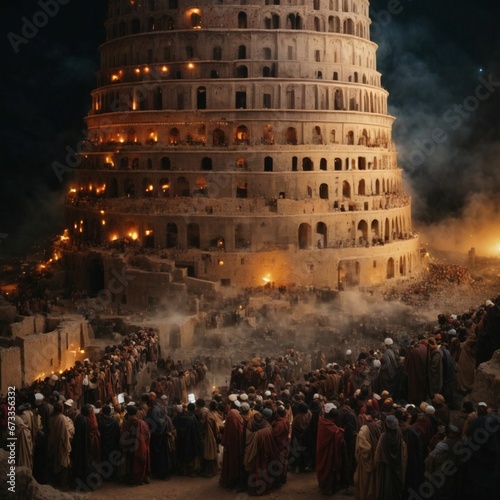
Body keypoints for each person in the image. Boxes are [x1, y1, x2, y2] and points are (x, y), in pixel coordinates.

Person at [243, 410, 279, 496]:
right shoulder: (267, 429)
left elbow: (247, 438)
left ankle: (253, 489)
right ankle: (262, 488)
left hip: (253, 454)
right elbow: (270, 444)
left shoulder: (250, 425)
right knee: (263, 471)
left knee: (254, 471)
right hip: (263, 455)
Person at [316, 404, 348, 495]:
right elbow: (338, 434)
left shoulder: (321, 421)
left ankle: (323, 485)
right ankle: (328, 488)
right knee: (328, 469)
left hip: (322, 451)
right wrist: (342, 431)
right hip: (328, 453)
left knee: (324, 468)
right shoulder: (330, 427)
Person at [375, 414, 407, 500]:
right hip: (398, 464)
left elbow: (378, 453)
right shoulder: (399, 435)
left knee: (387, 486)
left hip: (387, 466)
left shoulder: (383, 436)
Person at [120, 404, 151, 486]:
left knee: (132, 464)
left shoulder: (126, 423)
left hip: (131, 448)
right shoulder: (142, 423)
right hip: (142, 447)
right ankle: (142, 477)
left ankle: (133, 477)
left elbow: (123, 436)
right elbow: (148, 435)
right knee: (140, 463)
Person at [354, 417, 383, 500]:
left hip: (365, 460)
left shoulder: (363, 430)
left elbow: (363, 447)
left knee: (365, 481)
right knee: (371, 481)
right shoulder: (378, 427)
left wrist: (359, 456)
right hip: (374, 458)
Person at [48, 402, 74, 490]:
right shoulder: (62, 419)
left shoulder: (53, 419)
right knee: (64, 465)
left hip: (54, 444)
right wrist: (67, 446)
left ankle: (58, 483)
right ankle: (63, 484)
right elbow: (65, 434)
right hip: (62, 445)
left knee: (57, 464)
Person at [219, 401, 244, 489]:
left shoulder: (231, 416)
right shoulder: (237, 415)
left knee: (230, 463)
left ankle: (231, 480)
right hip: (237, 443)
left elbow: (228, 432)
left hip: (231, 444)